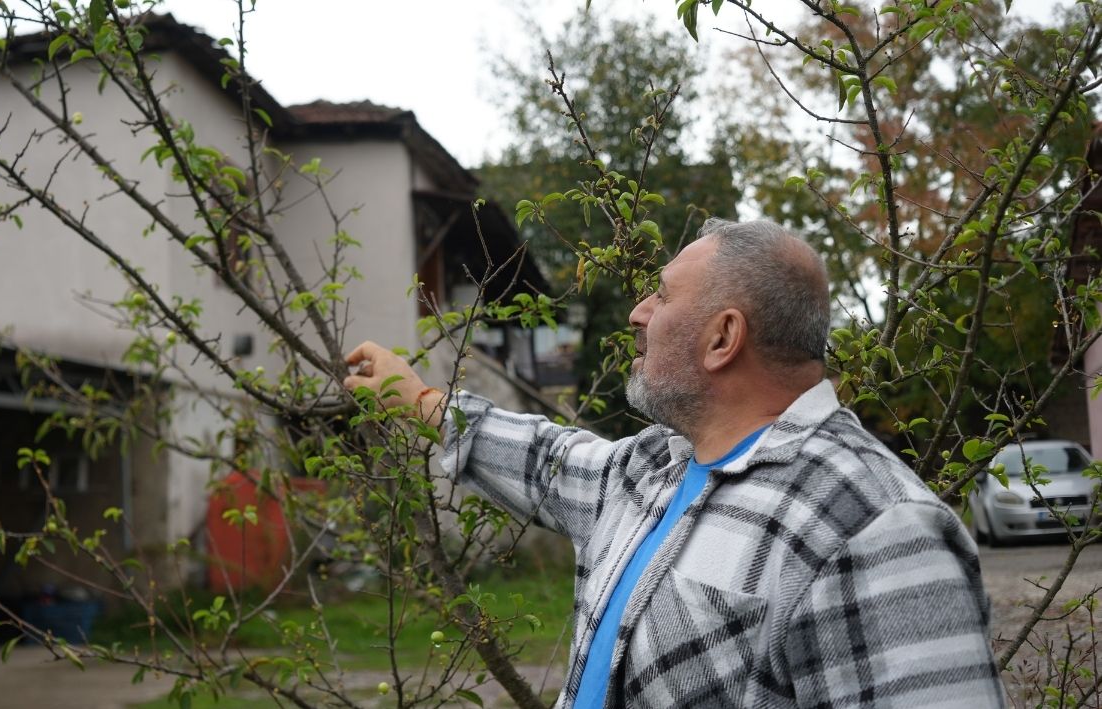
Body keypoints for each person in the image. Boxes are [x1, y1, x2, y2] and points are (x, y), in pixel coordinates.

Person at [344, 219, 1002, 708]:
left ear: (723, 337)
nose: (637, 313)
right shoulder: (651, 471)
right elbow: (550, 461)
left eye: (660, 296)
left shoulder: (876, 528)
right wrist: (420, 399)